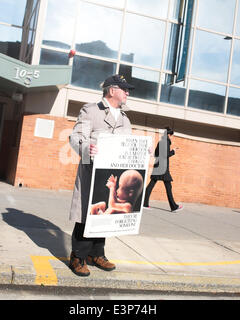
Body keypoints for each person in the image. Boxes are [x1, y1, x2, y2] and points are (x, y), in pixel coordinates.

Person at [68, 74, 134, 277]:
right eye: (124, 89)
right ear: (112, 90)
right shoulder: (90, 110)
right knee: (87, 214)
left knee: (107, 214)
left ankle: (97, 254)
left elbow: (128, 145)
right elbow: (76, 136)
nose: (127, 93)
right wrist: (88, 147)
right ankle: (78, 256)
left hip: (112, 174)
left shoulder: (124, 118)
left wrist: (140, 151)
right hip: (91, 172)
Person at [143, 127, 183, 213]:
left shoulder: (160, 142)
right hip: (163, 168)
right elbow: (166, 154)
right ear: (169, 135)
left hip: (158, 166)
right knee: (168, 187)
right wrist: (173, 151)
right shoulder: (167, 142)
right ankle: (174, 207)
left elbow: (156, 154)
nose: (172, 137)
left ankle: (144, 203)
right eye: (171, 135)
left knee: (151, 185)